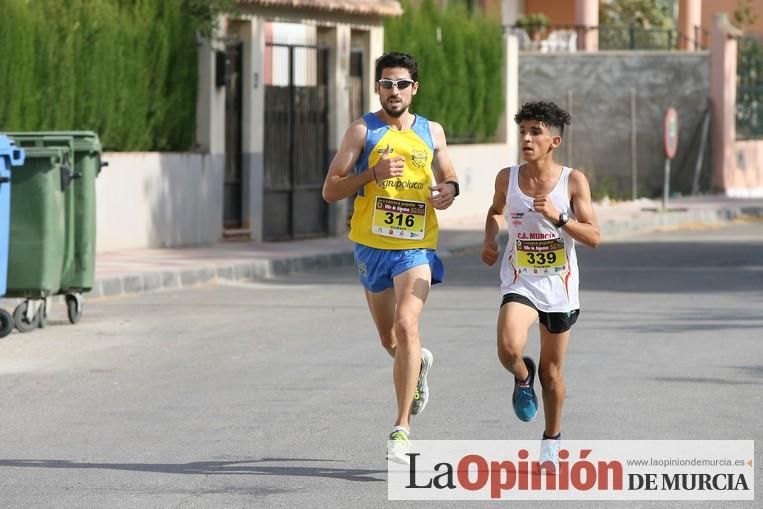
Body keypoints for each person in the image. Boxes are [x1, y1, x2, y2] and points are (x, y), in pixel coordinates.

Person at [322, 52, 459, 463]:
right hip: (371, 246)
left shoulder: (431, 132)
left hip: (416, 245)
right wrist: (371, 174)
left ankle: (401, 430)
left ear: (414, 88)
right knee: (390, 338)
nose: (393, 90)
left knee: (406, 323)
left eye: (401, 83)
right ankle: (417, 366)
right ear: (378, 87)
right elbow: (331, 190)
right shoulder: (362, 131)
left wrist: (450, 190)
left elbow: (448, 175)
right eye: (386, 83)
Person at [481, 101, 600, 470]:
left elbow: (594, 236)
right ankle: (521, 375)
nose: (527, 139)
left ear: (554, 140)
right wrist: (490, 239)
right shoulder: (507, 177)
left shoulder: (573, 181)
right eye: (523, 132)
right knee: (508, 346)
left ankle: (552, 437)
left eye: (535, 132)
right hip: (521, 280)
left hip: (560, 287)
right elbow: (495, 211)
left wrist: (559, 217)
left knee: (551, 374)